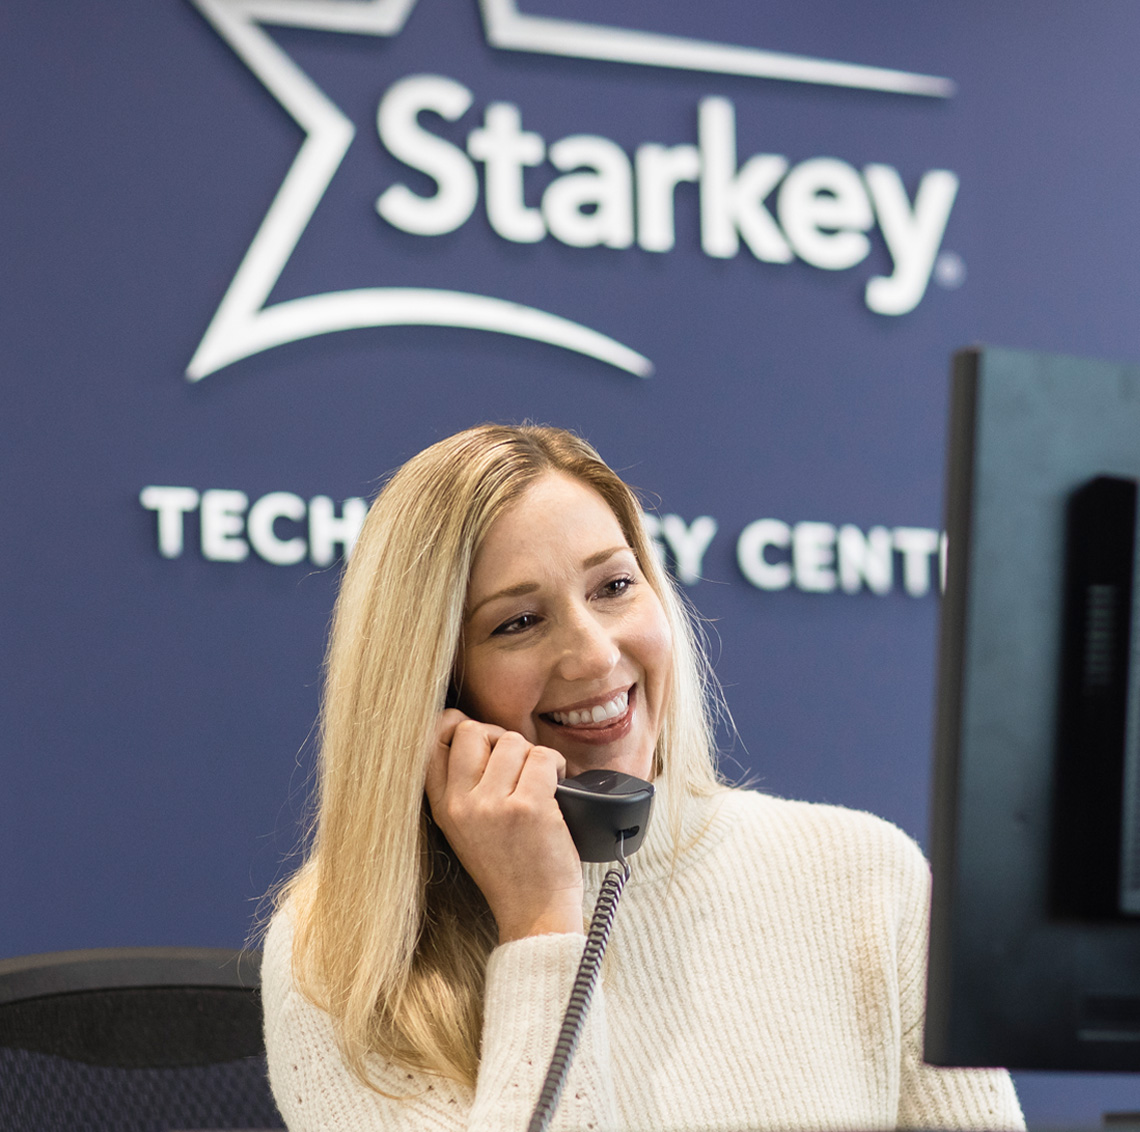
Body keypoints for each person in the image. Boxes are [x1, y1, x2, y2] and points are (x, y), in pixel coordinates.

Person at [261, 424, 1024, 1132]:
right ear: (435, 693)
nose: (594, 655)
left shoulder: (868, 879)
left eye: (614, 587)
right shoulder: (346, 949)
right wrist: (540, 926)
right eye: (518, 622)